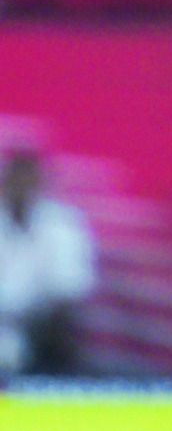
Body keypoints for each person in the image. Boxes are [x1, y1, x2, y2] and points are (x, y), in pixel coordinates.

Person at [0, 147, 96, 377]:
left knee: (60, 328)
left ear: (41, 184)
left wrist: (27, 318)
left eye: (28, 180)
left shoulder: (63, 224)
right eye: (16, 179)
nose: (22, 187)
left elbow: (71, 288)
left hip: (40, 329)